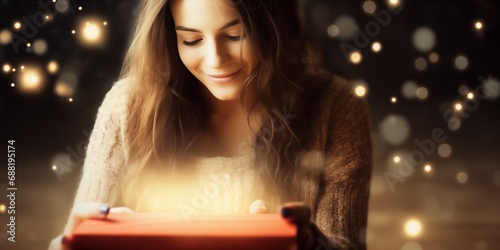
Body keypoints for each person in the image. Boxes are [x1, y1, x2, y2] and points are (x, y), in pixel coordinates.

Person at [49, 0, 372, 249]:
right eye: (191, 41)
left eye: (235, 35)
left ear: (273, 26)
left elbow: (345, 244)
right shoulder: (128, 107)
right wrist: (69, 243)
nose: (216, 60)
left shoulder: (336, 107)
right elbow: (75, 236)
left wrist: (309, 244)